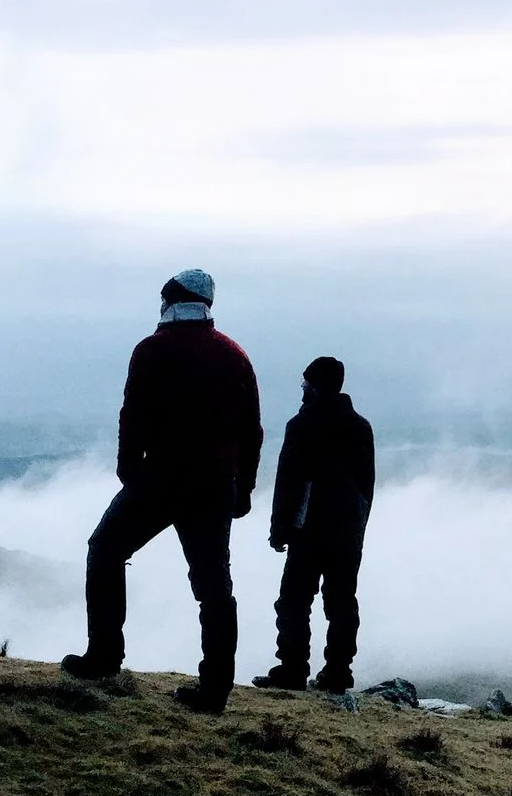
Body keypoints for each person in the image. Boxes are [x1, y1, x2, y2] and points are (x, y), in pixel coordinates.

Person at [63, 269, 263, 716]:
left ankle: (104, 656)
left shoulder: (152, 349)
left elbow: (132, 413)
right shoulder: (234, 355)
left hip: (159, 478)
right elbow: (252, 429)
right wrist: (243, 487)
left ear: (171, 301)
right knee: (214, 585)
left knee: (105, 549)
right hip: (214, 484)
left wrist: (129, 470)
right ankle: (215, 689)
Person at [251, 356, 375, 695]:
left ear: (315, 385)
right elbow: (366, 485)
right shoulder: (360, 427)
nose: (303, 389)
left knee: (294, 600)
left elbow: (288, 481)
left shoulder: (301, 424)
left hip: (308, 529)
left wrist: (279, 528)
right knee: (342, 601)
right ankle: (338, 674)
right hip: (347, 531)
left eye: (305, 383)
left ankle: (292, 670)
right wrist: (359, 526)